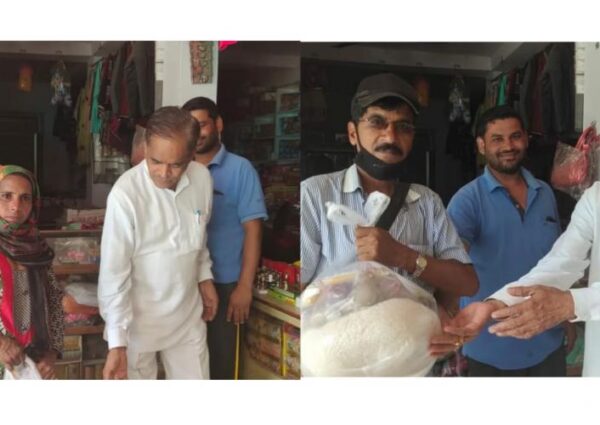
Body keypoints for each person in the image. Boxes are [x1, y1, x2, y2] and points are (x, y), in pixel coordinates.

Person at [300, 73, 479, 358]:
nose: (390, 136)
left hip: (412, 359)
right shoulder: (316, 195)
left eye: (403, 127)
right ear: (352, 133)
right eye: (377, 122)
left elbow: (467, 282)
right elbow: (299, 288)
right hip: (340, 359)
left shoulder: (427, 202)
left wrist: (402, 257)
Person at [443, 106, 568, 376]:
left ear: (526, 139)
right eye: (497, 139)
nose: (508, 146)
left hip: (547, 339)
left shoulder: (544, 192)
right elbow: (452, 267)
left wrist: (566, 314)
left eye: (515, 136)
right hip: (490, 345)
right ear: (481, 145)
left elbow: (559, 259)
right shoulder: (467, 200)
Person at [99, 106, 218, 380]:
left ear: (191, 156)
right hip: (138, 328)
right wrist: (117, 342)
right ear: (145, 146)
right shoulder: (125, 195)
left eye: (176, 164)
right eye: (155, 161)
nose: (164, 173)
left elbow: (198, 237)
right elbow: (114, 273)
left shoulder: (202, 179)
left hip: (188, 321)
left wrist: (204, 276)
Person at [444, 181, 600, 376]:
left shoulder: (543, 192)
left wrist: (572, 304)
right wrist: (498, 303)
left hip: (547, 347)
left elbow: (569, 300)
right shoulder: (596, 196)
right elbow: (562, 261)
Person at [182, 97, 267, 380]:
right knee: (188, 365)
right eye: (190, 127)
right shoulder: (179, 169)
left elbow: (253, 229)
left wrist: (244, 286)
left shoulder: (241, 169)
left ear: (218, 124)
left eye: (202, 125)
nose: (197, 133)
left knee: (222, 366)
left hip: (227, 284)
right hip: (185, 284)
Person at [0, 165, 63, 379]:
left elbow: (54, 300)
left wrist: (52, 352)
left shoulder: (36, 248)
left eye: (25, 198)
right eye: (6, 196)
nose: (15, 206)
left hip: (32, 364)